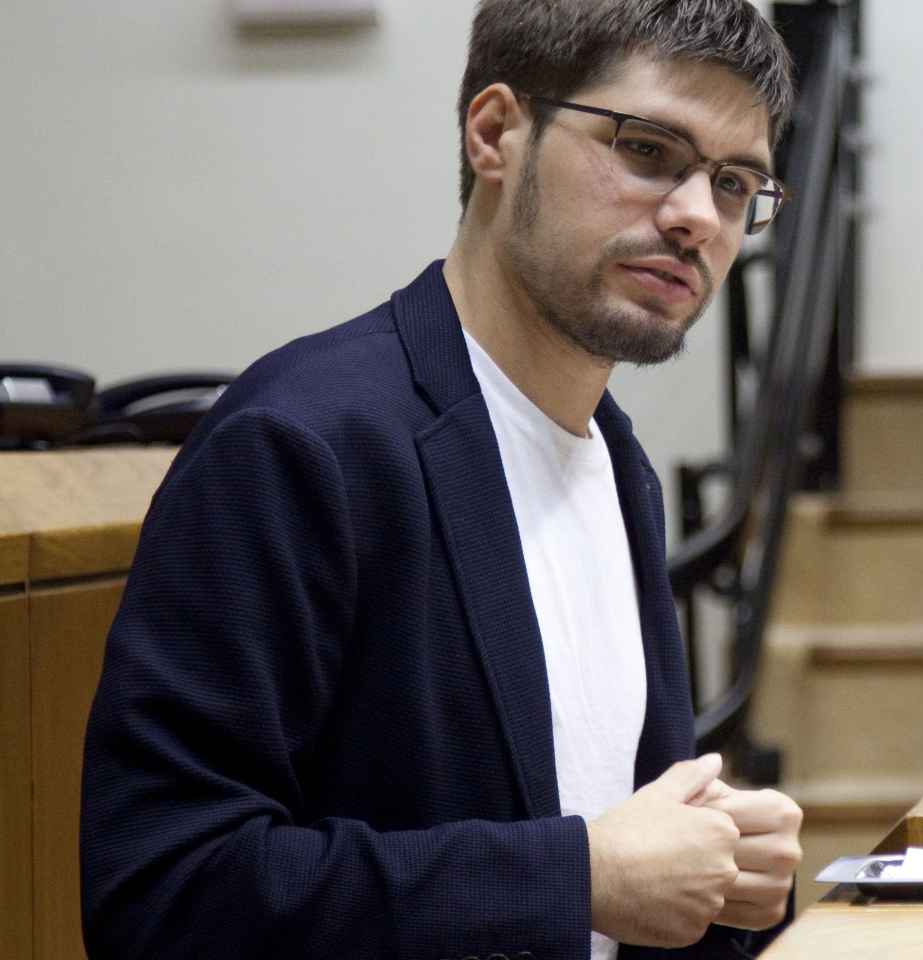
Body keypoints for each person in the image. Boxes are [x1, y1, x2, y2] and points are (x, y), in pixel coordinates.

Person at [79, 2, 802, 958]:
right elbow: (161, 893)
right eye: (648, 150)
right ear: (496, 132)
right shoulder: (299, 443)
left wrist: (721, 879)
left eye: (735, 181)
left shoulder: (618, 462)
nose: (697, 217)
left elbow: (610, 868)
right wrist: (573, 876)